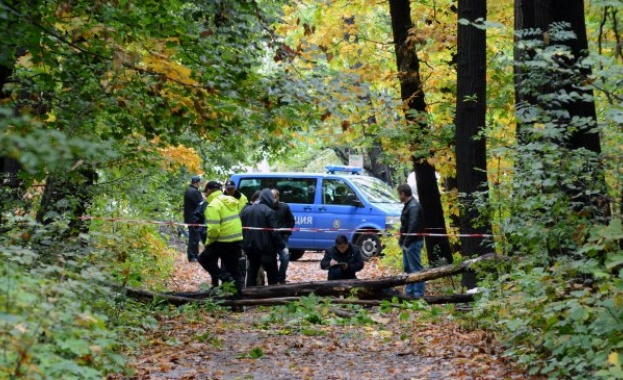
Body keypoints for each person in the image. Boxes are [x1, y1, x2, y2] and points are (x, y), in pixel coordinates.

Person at [197, 181, 244, 298]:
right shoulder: (229, 200)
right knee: (234, 269)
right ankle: (237, 300)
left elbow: (213, 229)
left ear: (209, 192)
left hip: (222, 240)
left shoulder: (213, 205)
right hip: (236, 239)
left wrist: (209, 242)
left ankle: (224, 277)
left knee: (204, 259)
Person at [240, 188, 285, 286]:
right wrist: (282, 246)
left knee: (252, 273)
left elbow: (240, 228)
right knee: (272, 275)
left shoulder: (246, 209)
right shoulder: (269, 211)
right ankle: (272, 297)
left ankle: (249, 295)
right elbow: (274, 232)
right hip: (267, 250)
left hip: (250, 248)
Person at [397, 183, 425, 298]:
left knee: (415, 269)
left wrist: (406, 242)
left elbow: (413, 226)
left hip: (412, 243)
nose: (399, 197)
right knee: (408, 268)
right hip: (407, 242)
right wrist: (402, 240)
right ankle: (409, 292)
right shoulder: (409, 205)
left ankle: (418, 294)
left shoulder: (413, 206)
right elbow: (405, 225)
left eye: (399, 194)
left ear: (403, 194)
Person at [271, 189, 295, 284]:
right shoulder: (266, 207)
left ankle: (281, 278)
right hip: (270, 239)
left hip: (282, 238)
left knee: (285, 257)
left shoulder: (284, 207)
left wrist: (286, 231)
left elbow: (291, 220)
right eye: (271, 197)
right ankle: (273, 279)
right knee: (270, 260)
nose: (273, 199)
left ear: (278, 197)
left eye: (275, 196)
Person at [183, 175, 203, 262]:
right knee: (194, 237)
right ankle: (192, 256)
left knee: (194, 237)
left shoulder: (189, 190)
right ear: (197, 182)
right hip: (193, 218)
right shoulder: (193, 192)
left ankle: (194, 254)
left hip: (190, 217)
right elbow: (200, 203)